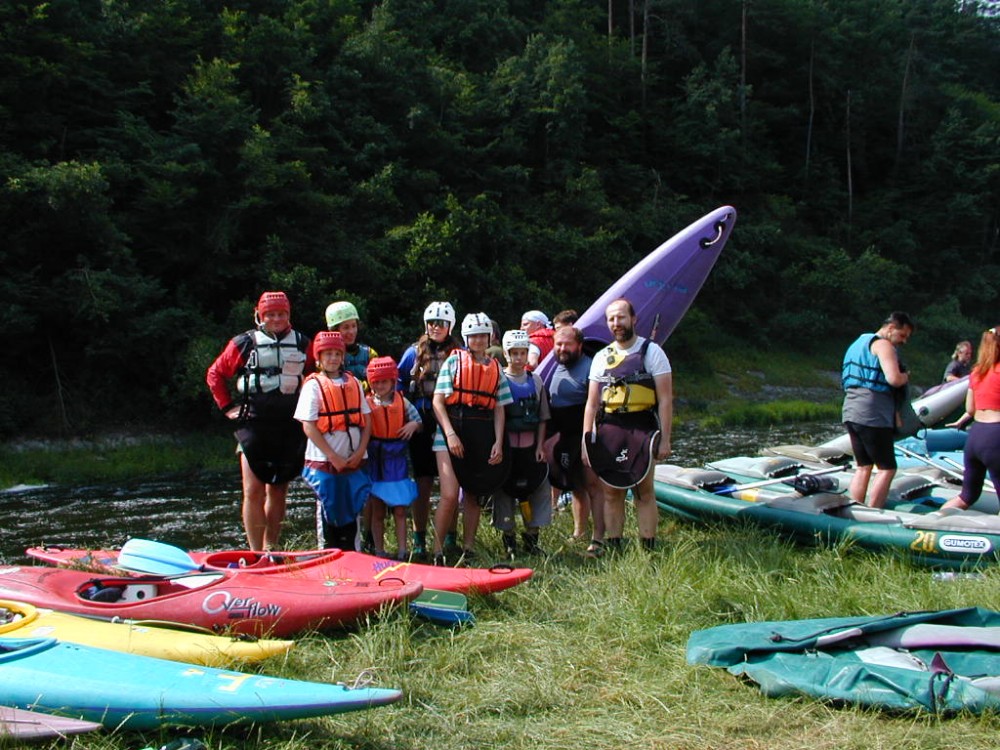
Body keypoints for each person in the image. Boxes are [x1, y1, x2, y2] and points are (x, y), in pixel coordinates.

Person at [206, 291, 310, 551]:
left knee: (278, 490)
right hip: (253, 422)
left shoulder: (301, 343)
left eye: (281, 314)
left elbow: (316, 378)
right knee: (253, 490)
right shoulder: (244, 343)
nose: (276, 319)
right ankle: (255, 552)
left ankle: (271, 549)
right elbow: (215, 374)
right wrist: (227, 407)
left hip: (288, 425)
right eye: (270, 314)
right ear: (260, 315)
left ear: (288, 315)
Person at [582, 298, 673, 554]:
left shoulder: (652, 352)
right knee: (611, 491)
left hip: (642, 426)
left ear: (633, 319)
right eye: (611, 319)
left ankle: (648, 549)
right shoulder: (602, 357)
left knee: (644, 490)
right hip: (611, 427)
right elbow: (591, 404)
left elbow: (666, 399)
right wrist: (586, 439)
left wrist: (666, 439)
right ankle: (615, 547)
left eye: (621, 317)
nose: (616, 323)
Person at [431, 312, 513, 565]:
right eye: (474, 336)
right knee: (449, 494)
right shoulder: (453, 362)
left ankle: (468, 549)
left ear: (489, 337)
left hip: (480, 432)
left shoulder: (495, 367)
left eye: (482, 336)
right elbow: (438, 402)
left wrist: (498, 442)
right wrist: (450, 434)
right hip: (451, 431)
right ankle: (436, 551)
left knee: (474, 493)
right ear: (467, 338)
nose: (478, 340)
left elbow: (499, 408)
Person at [294, 330, 372, 551]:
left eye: (337, 354)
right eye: (328, 354)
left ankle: (354, 555)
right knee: (328, 512)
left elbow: (367, 421)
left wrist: (361, 451)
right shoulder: (313, 386)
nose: (333, 358)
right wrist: (333, 456)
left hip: (354, 460)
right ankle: (327, 557)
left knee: (353, 510)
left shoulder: (354, 382)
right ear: (319, 358)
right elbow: (308, 425)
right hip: (325, 463)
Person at [397, 301, 459, 558]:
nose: (436, 327)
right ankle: (419, 539)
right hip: (421, 421)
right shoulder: (413, 354)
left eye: (441, 323)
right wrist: (409, 418)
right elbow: (398, 388)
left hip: (450, 421)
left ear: (450, 326)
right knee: (423, 482)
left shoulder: (459, 353)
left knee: (452, 482)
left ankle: (450, 538)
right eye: (432, 323)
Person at [840, 311, 914, 509]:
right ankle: (874, 510)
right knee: (887, 468)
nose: (904, 341)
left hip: (851, 411)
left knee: (863, 466)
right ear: (891, 328)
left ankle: (854, 507)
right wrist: (905, 376)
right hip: (872, 414)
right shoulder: (883, 345)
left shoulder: (859, 342)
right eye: (902, 335)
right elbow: (894, 379)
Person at [491, 329, 552, 558]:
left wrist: (540, 446)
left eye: (522, 353)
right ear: (506, 354)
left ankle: (532, 539)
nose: (518, 358)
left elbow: (543, 417)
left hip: (530, 449)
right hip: (508, 450)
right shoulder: (498, 380)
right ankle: (509, 542)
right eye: (514, 353)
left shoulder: (536, 381)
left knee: (537, 489)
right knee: (504, 493)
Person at [546, 325, 605, 551]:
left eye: (567, 344)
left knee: (592, 485)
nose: (562, 348)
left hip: (584, 433)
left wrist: (589, 438)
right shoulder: (557, 365)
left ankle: (599, 537)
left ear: (579, 345)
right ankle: (580, 532)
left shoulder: (589, 367)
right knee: (576, 485)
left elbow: (597, 405)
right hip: (563, 434)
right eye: (558, 344)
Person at [364, 356, 421, 560]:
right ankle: (379, 551)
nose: (380, 386)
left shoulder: (403, 402)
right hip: (376, 462)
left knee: (400, 510)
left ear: (393, 381)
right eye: (376, 382)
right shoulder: (366, 404)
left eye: (384, 382)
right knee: (377, 511)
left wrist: (413, 425)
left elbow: (419, 422)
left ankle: (403, 551)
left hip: (397, 462)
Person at [940, 327, 1000, 512]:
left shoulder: (977, 372)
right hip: (996, 437)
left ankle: (931, 520)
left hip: (975, 437)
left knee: (967, 496)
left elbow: (970, 409)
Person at [321, 301, 379, 384]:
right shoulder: (327, 357)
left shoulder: (369, 354)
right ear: (334, 330)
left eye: (354, 326)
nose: (351, 332)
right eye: (346, 327)